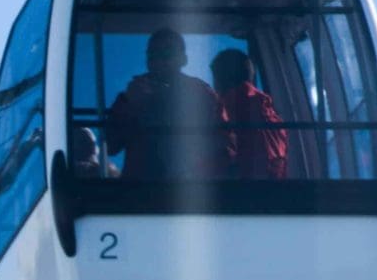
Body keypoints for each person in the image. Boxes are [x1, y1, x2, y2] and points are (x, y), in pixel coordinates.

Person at [104, 28, 223, 181]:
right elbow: (111, 145)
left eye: (166, 54)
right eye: (152, 55)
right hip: (138, 189)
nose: (158, 61)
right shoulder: (133, 93)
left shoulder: (200, 93)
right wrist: (130, 104)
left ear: (183, 59)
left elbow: (218, 143)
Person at [211, 48, 290, 179]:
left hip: (246, 191)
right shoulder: (271, 113)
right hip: (277, 192)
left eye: (215, 79)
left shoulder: (227, 108)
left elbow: (220, 156)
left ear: (221, 80)